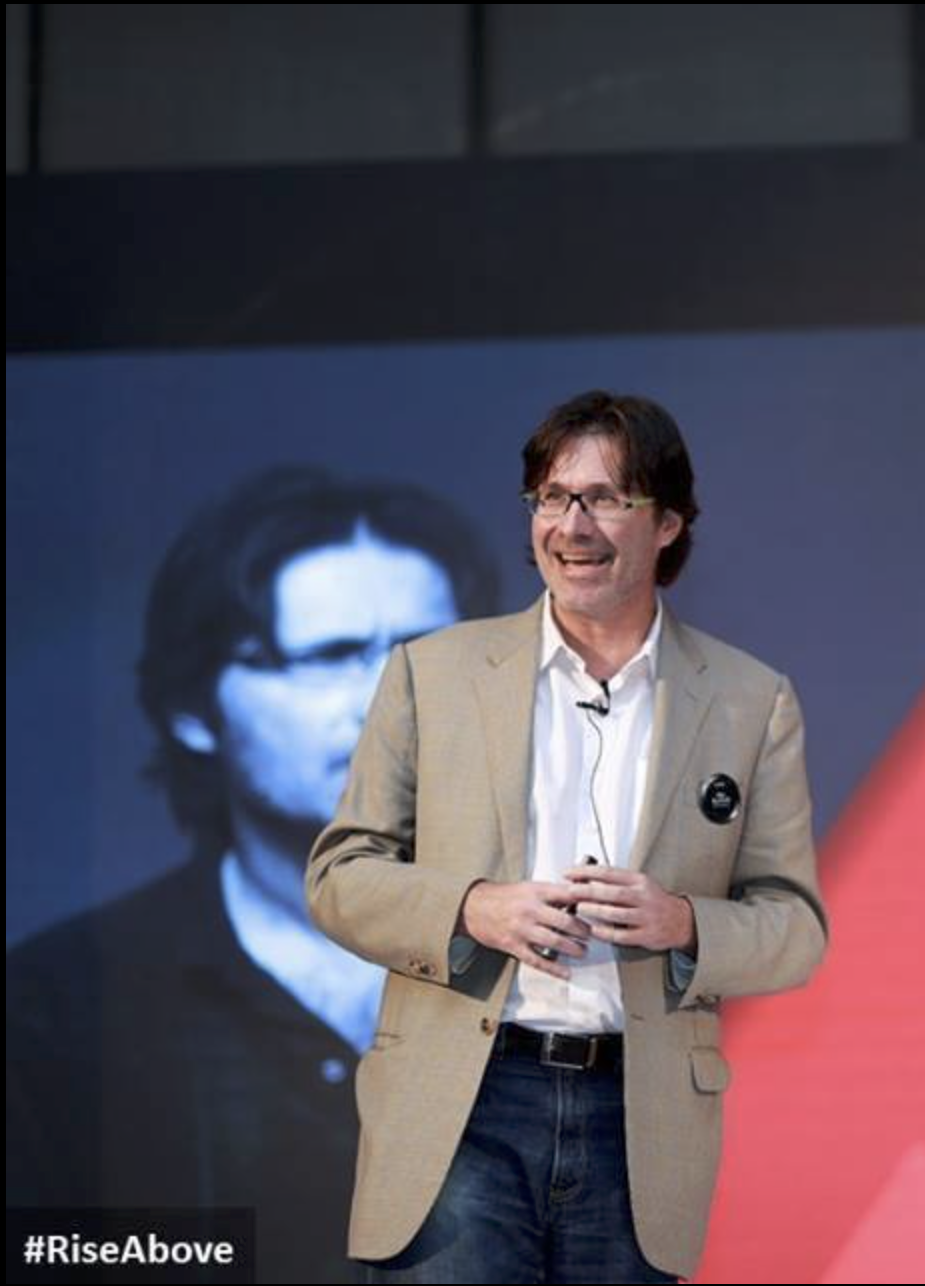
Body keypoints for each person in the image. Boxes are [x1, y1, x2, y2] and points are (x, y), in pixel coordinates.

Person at [307, 389, 828, 1282]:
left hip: (640, 1118)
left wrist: (683, 924)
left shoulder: (751, 699)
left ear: (668, 523)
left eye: (606, 498)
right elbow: (340, 877)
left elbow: (795, 928)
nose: (572, 526)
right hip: (464, 1104)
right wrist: (473, 908)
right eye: (553, 497)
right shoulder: (432, 674)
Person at [5, 467, 498, 1284]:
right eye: (329, 656)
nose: (391, 699)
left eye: (428, 653)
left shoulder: (594, 954)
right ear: (193, 709)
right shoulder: (55, 1009)